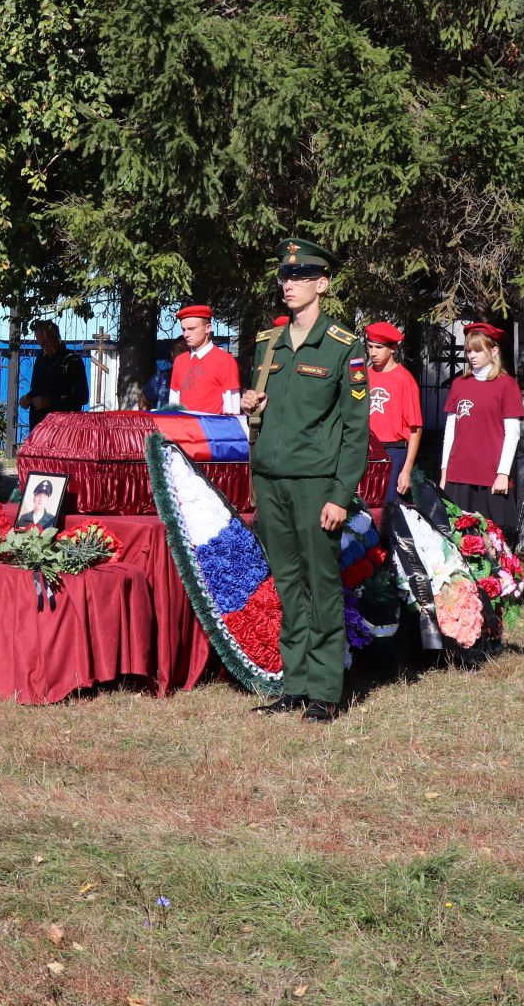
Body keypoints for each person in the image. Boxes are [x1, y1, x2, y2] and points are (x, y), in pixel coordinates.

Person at [239, 239, 368, 723]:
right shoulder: (266, 343)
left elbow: (356, 430)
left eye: (299, 277)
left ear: (323, 284)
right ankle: (293, 685)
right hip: (270, 481)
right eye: (284, 277)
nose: (288, 285)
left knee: (321, 584)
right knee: (288, 584)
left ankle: (324, 690)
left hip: (316, 484)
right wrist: (251, 403)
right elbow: (262, 409)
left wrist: (340, 495)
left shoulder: (343, 347)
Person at [438, 323, 524, 536]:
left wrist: (503, 472)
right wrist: (444, 472)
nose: (471, 356)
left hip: (490, 474)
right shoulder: (459, 383)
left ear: (493, 351)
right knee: (458, 534)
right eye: (468, 350)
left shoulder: (506, 384)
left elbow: (512, 433)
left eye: (477, 350)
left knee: (491, 538)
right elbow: (450, 430)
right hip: (459, 472)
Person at [363, 322, 423, 506]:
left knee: (389, 511)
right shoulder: (363, 376)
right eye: (370, 346)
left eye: (379, 347)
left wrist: (406, 469)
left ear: (393, 349)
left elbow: (416, 428)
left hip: (393, 453)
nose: (373, 352)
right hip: (363, 450)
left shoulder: (404, 379)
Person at [169, 304, 241, 414]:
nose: (186, 334)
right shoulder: (180, 361)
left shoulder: (225, 360)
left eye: (191, 329)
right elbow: (174, 398)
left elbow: (232, 404)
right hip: (184, 428)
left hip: (213, 428)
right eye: (183, 329)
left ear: (208, 328)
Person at [20, 320, 88, 435]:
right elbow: (36, 390)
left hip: (63, 431)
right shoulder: (41, 359)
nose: (43, 348)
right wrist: (27, 398)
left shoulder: (73, 361)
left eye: (45, 343)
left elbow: (82, 397)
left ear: (56, 337)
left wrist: (50, 401)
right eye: (40, 344)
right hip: (39, 429)